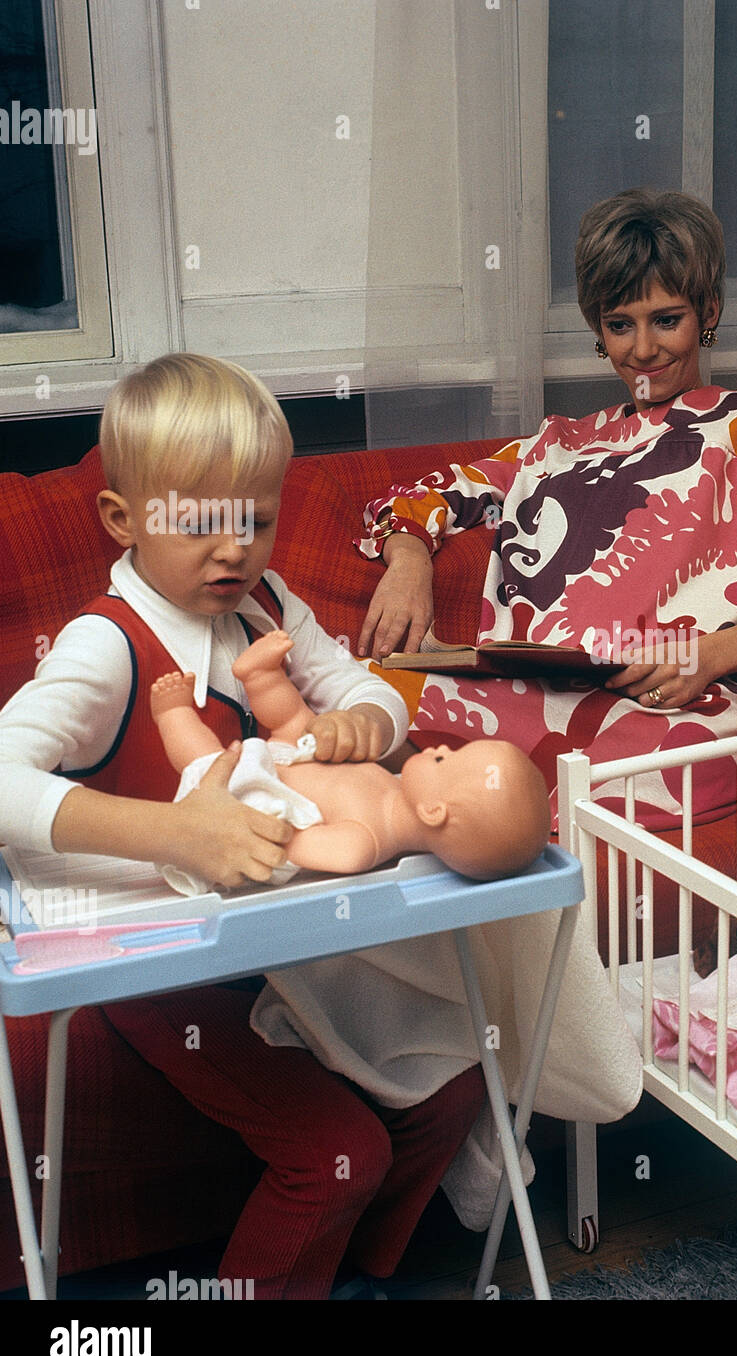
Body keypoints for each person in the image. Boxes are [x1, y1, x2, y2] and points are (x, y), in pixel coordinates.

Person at [0, 353, 484, 1298]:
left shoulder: (266, 606)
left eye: (255, 521)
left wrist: (361, 724)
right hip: (162, 973)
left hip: (281, 947)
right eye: (199, 522)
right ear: (123, 519)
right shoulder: (109, 645)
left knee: (454, 1090)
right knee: (337, 1151)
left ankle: (359, 1277)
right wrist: (174, 834)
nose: (233, 550)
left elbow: (367, 690)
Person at [355, 188, 737, 827]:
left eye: (666, 320)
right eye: (621, 325)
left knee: (664, 761)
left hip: (675, 710)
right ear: (598, 330)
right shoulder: (555, 441)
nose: (643, 350)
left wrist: (709, 656)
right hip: (530, 697)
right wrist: (407, 563)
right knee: (365, 697)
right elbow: (414, 500)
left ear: (709, 310)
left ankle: (501, 823)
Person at [151, 631, 551, 881]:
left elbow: (286, 847)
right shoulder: (396, 788)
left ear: (433, 811)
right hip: (296, 755)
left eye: (446, 761)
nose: (441, 747)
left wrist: (259, 824)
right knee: (297, 719)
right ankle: (261, 676)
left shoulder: (363, 844)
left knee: (206, 762)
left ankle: (173, 715)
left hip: (255, 794)